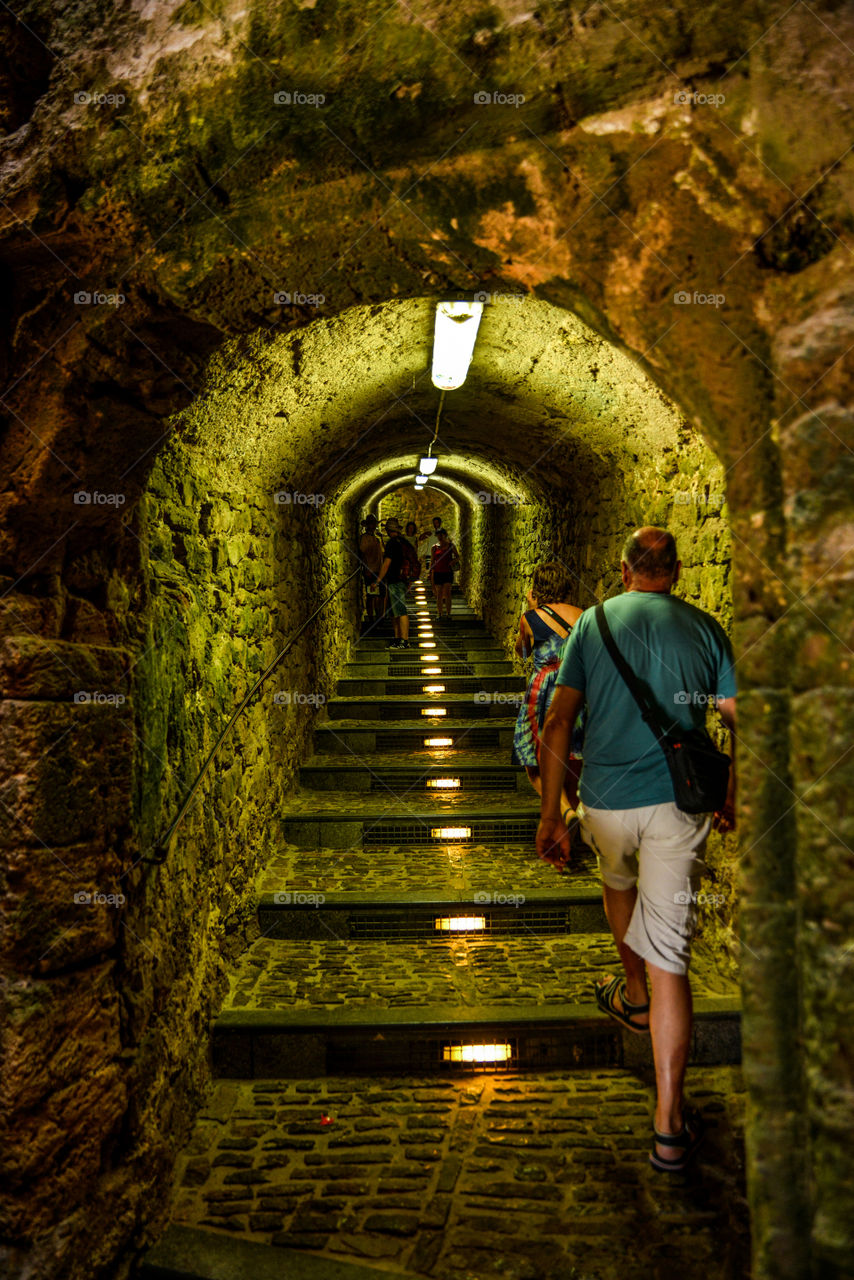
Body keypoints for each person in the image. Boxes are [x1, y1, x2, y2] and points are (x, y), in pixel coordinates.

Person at [536, 527, 736, 1175]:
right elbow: (737, 714)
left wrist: (551, 813)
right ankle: (670, 1123)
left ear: (625, 571)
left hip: (607, 801)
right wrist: (734, 787)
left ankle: (631, 988)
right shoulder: (706, 629)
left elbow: (559, 719)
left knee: (617, 886)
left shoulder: (592, 626)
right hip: (680, 803)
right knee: (671, 956)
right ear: (674, 571)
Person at [512, 562, 582, 820]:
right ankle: (569, 818)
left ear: (538, 588)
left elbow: (522, 652)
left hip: (543, 693)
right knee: (573, 761)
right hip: (576, 690)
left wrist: (532, 611)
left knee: (534, 762)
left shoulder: (530, 619)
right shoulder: (583, 615)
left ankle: (563, 811)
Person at [376, 518, 413, 648]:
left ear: (388, 530)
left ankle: (404, 640)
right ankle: (398, 639)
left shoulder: (392, 543)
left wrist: (378, 580)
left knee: (400, 610)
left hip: (395, 580)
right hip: (400, 580)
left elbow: (386, 563)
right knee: (394, 612)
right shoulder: (403, 542)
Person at [357, 515, 385, 627]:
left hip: (378, 569)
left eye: (374, 524)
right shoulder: (365, 538)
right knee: (371, 595)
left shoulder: (376, 538)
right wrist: (366, 567)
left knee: (379, 595)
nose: (372, 526)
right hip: (370, 570)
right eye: (371, 524)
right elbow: (362, 553)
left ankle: (378, 617)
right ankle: (371, 618)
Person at [430, 527, 460, 620]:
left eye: (441, 534)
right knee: (439, 594)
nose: (440, 537)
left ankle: (448, 613)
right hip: (438, 572)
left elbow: (458, 556)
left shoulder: (451, 546)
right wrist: (430, 572)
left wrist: (453, 561)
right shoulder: (434, 547)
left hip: (447, 572)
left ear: (445, 535)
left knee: (447, 593)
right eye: (438, 535)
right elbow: (432, 561)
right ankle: (439, 614)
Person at [418, 516, 443, 580]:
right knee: (429, 571)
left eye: (437, 523)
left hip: (439, 554)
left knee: (438, 570)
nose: (435, 524)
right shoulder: (431, 532)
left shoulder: (443, 533)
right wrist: (425, 534)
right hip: (429, 554)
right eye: (434, 523)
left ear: (440, 523)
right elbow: (420, 538)